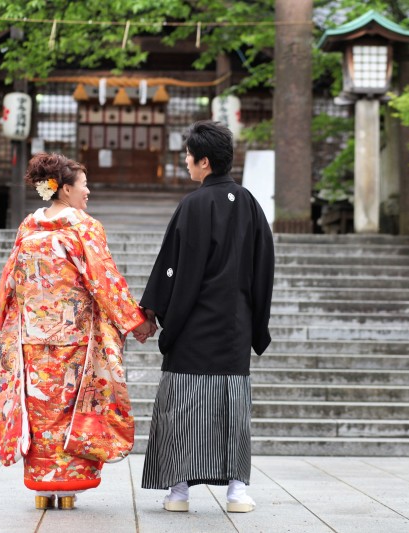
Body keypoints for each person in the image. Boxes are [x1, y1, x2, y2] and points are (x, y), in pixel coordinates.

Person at [0, 153, 156, 511]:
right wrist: (135, 320)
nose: (88, 191)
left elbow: (10, 280)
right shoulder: (83, 227)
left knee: (39, 407)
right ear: (65, 189)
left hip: (32, 339)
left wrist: (1, 318)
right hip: (74, 338)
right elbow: (104, 280)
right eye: (83, 185)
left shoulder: (28, 227)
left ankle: (42, 487)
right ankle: (67, 487)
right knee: (70, 407)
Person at [139, 121, 275, 513]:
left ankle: (179, 492)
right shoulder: (250, 204)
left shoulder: (193, 205)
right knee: (233, 410)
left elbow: (171, 267)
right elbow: (264, 268)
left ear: (204, 162)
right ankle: (237, 492)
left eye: (189, 156)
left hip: (191, 327)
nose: (186, 162)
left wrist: (153, 311)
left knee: (183, 407)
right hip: (234, 326)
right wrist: (256, 324)